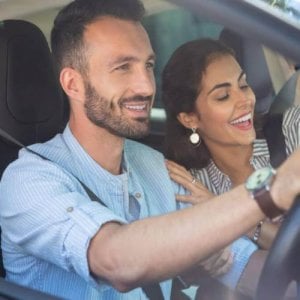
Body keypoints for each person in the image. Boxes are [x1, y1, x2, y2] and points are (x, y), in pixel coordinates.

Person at [0, 1, 299, 299]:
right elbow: (116, 260)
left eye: (148, 65)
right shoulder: (27, 180)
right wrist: (268, 191)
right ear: (73, 84)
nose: (146, 86)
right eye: (122, 68)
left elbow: (242, 264)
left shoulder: (155, 166)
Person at [162, 38, 300, 297]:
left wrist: (225, 213)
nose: (245, 101)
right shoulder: (192, 187)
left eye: (244, 85)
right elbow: (190, 274)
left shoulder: (292, 132)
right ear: (190, 118)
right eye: (223, 96)